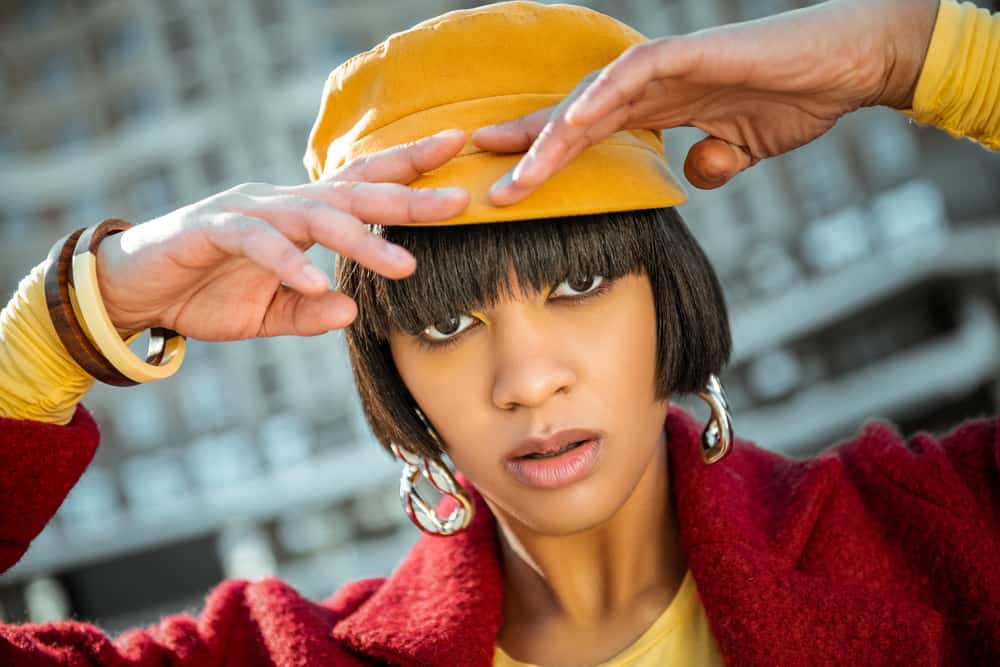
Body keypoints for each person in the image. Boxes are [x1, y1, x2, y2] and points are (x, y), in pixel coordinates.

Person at [0, 0, 997, 665]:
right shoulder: (284, 653)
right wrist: (72, 324)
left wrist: (916, 54)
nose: (525, 379)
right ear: (387, 363)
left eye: (580, 281)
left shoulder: (938, 530)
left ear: (669, 292)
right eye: (443, 320)